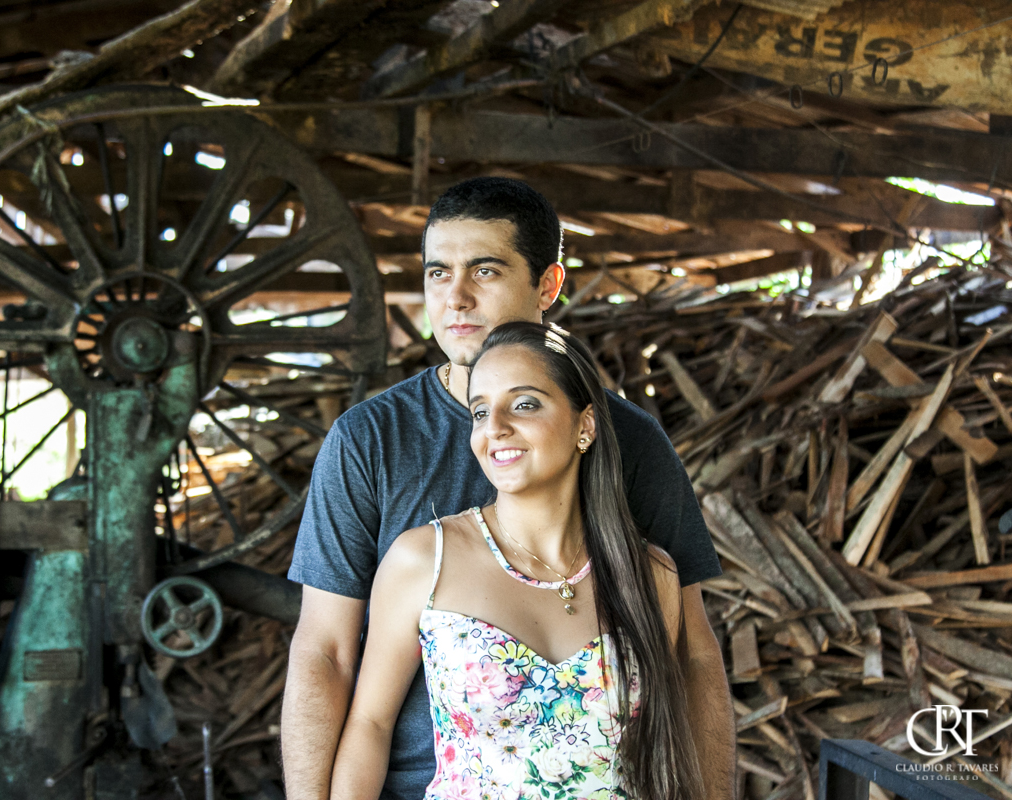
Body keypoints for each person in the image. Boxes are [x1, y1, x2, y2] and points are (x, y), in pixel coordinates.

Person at [282, 177, 734, 800]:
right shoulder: (370, 440)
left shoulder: (630, 441)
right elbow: (326, 653)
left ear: (548, 286)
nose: (456, 297)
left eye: (485, 270)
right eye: (438, 273)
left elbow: (693, 658)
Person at [330, 321, 706, 800]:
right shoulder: (423, 561)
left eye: (524, 404)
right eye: (480, 411)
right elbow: (370, 725)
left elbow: (672, 744)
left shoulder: (652, 575)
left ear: (585, 425)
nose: (495, 428)